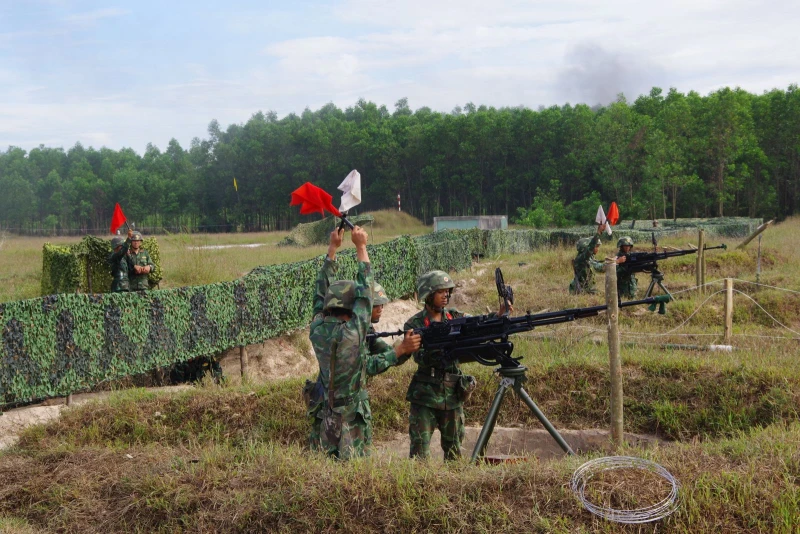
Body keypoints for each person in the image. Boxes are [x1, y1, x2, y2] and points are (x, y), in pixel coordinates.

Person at [307, 227, 419, 460]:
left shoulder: (316, 330)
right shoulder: (352, 334)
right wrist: (361, 247)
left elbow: (319, 297)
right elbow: (366, 294)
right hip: (350, 417)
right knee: (354, 470)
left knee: (325, 469)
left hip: (325, 414)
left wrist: (332, 251)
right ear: (350, 308)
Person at [403, 270, 510, 460]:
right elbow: (419, 357)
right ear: (428, 295)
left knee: (454, 452)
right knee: (420, 454)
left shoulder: (455, 317)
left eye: (448, 291)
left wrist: (498, 316)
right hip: (425, 397)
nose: (446, 295)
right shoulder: (415, 324)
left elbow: (478, 325)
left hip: (452, 395)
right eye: (440, 291)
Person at [569, 222, 607, 295]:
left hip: (589, 289)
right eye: (596, 247)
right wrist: (598, 233)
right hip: (582, 291)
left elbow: (599, 266)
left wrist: (613, 262)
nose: (597, 249)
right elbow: (589, 249)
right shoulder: (581, 259)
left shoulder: (588, 259)